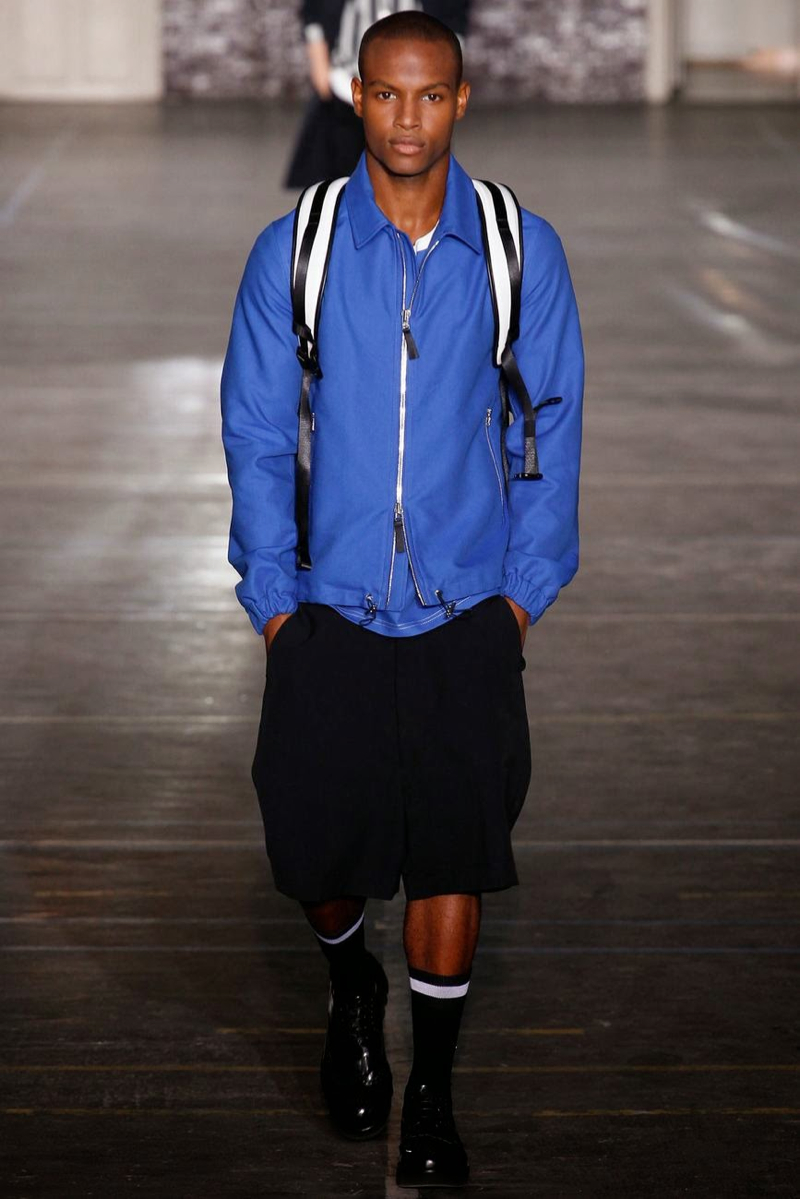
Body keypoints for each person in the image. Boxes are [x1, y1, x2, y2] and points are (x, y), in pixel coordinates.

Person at [221, 10, 583, 1188]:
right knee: (316, 855)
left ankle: (429, 1086)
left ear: (460, 101)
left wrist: (519, 593)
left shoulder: (514, 245)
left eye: (430, 96)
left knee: (450, 856)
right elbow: (257, 429)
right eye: (386, 94)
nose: (407, 119)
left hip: (464, 601)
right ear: (356, 97)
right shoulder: (298, 246)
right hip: (326, 603)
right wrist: (276, 597)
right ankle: (349, 981)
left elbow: (549, 418)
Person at [285, 0, 471, 187]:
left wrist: (446, 70)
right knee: (341, 178)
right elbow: (314, 11)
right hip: (344, 85)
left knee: (418, 174)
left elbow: (455, 14)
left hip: (419, 87)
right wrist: (319, 63)